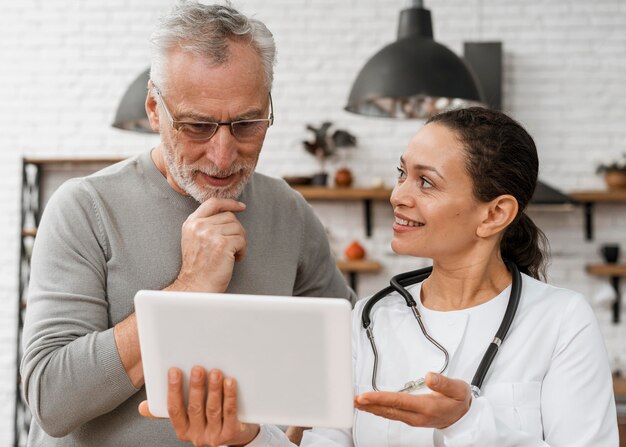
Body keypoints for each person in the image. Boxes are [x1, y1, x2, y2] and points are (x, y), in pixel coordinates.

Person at [151, 107, 619, 446]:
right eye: (401, 174)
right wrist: (248, 437)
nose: (398, 195)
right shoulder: (370, 320)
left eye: (426, 182)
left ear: (495, 213)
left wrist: (468, 420)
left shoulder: (560, 321)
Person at [20, 2, 352, 446]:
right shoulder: (84, 208)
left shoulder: (288, 210)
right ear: (155, 109)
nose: (223, 155)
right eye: (196, 126)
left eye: (247, 124)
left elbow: (349, 355)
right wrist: (189, 288)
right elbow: (50, 399)